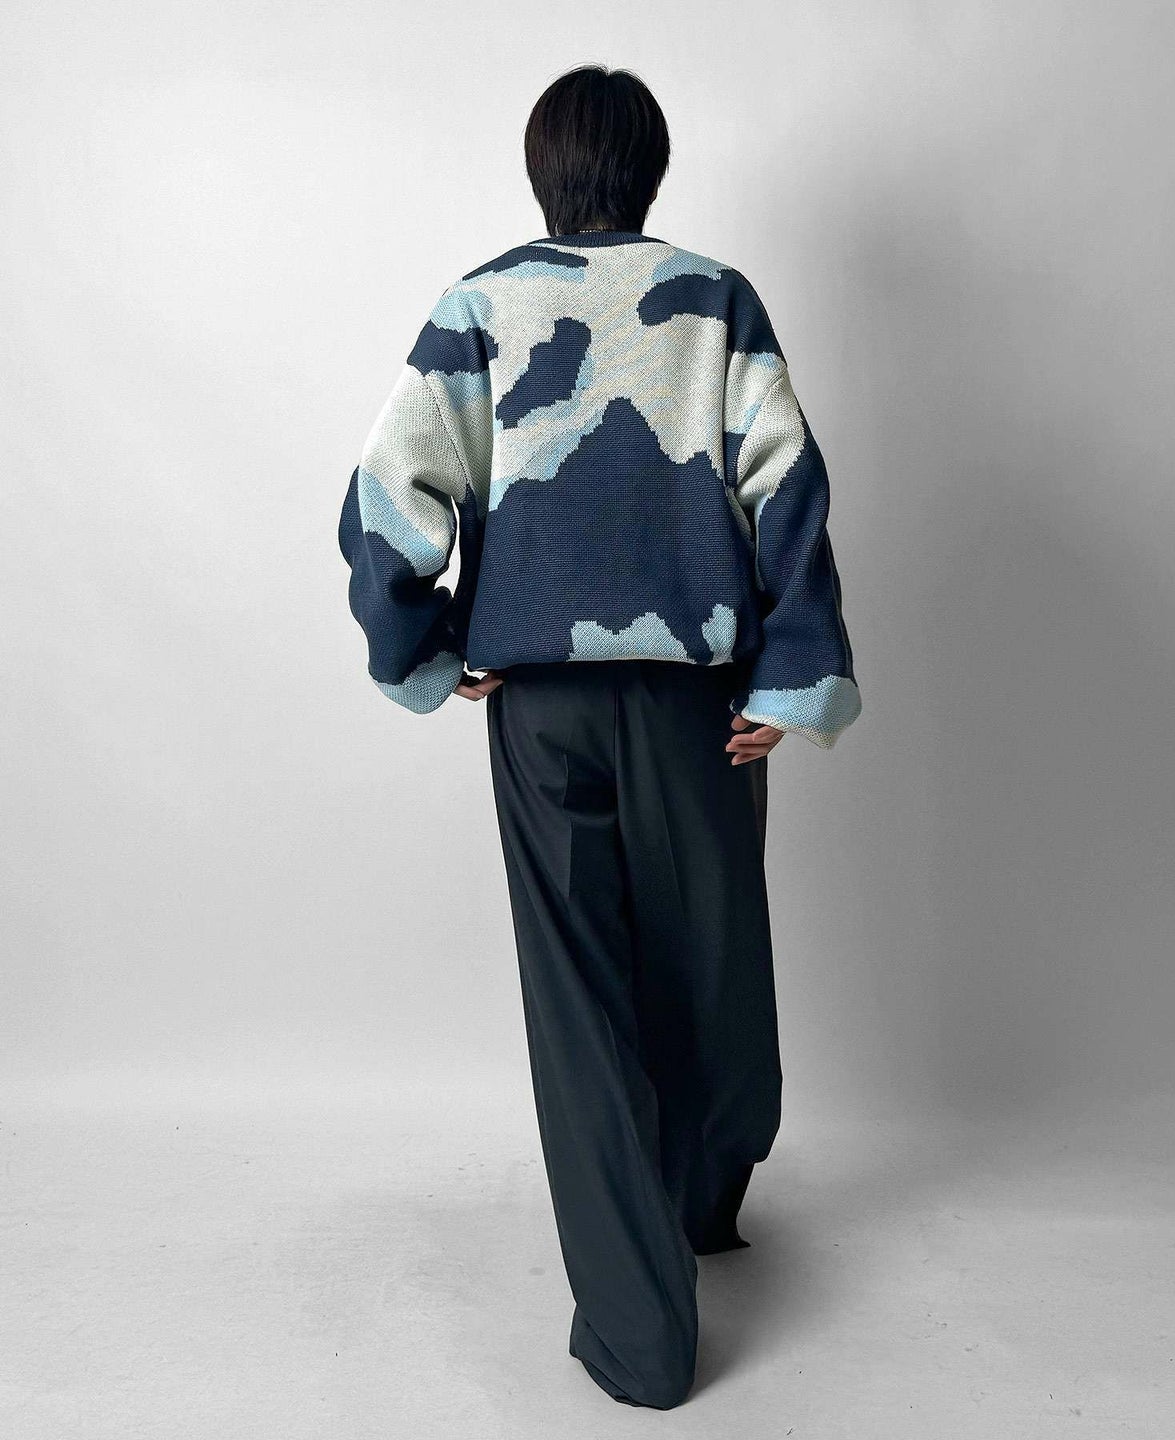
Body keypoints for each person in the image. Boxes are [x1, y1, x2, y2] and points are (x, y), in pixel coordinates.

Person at [337, 63, 862, 1409]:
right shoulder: (719, 301)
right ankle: (697, 1206)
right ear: (651, 165)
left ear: (543, 170)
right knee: (710, 959)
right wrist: (787, 681)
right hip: (698, 704)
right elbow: (789, 487)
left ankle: (640, 1332)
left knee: (582, 999)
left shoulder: (478, 306)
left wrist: (424, 647)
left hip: (545, 710)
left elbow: (391, 494)